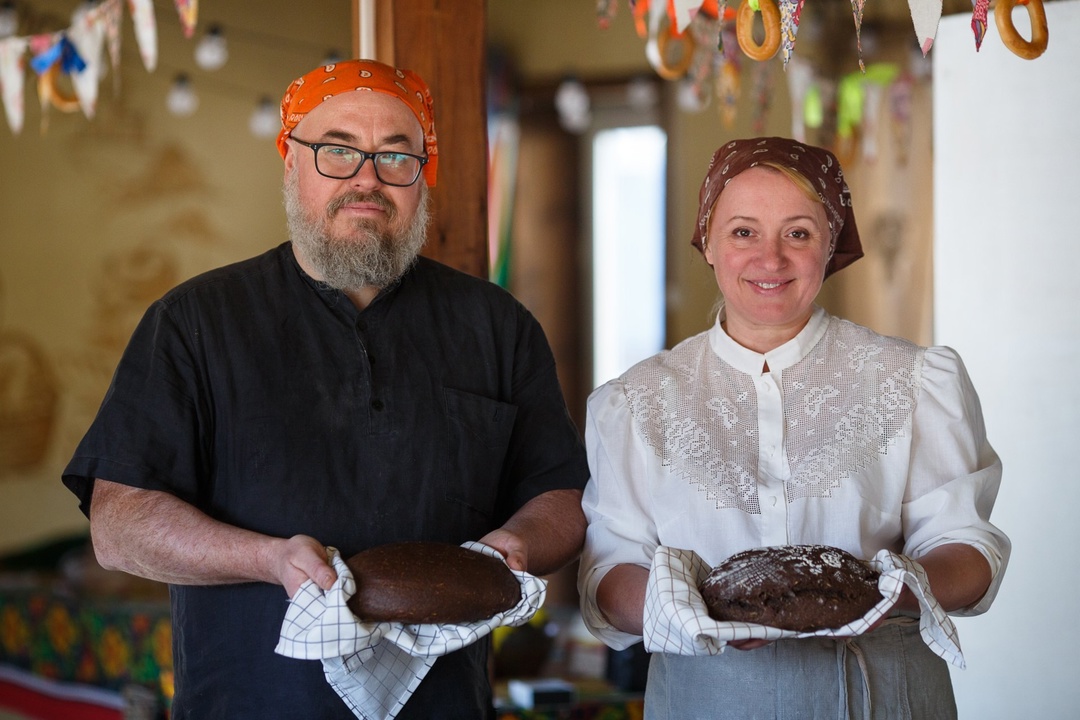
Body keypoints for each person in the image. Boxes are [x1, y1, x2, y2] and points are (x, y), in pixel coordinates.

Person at [62, 59, 589, 720]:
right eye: (337, 151)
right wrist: (267, 559)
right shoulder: (195, 323)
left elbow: (561, 496)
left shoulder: (496, 326)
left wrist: (518, 544)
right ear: (291, 163)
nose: (367, 178)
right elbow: (118, 526)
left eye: (396, 156)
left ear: (423, 176)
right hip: (247, 705)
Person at [577, 137, 1010, 719]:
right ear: (708, 242)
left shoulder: (915, 382)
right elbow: (608, 574)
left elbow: (969, 552)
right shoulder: (633, 403)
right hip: (708, 703)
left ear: (831, 244)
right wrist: (687, 608)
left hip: (882, 698)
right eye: (743, 232)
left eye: (798, 233)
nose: (771, 259)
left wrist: (884, 593)